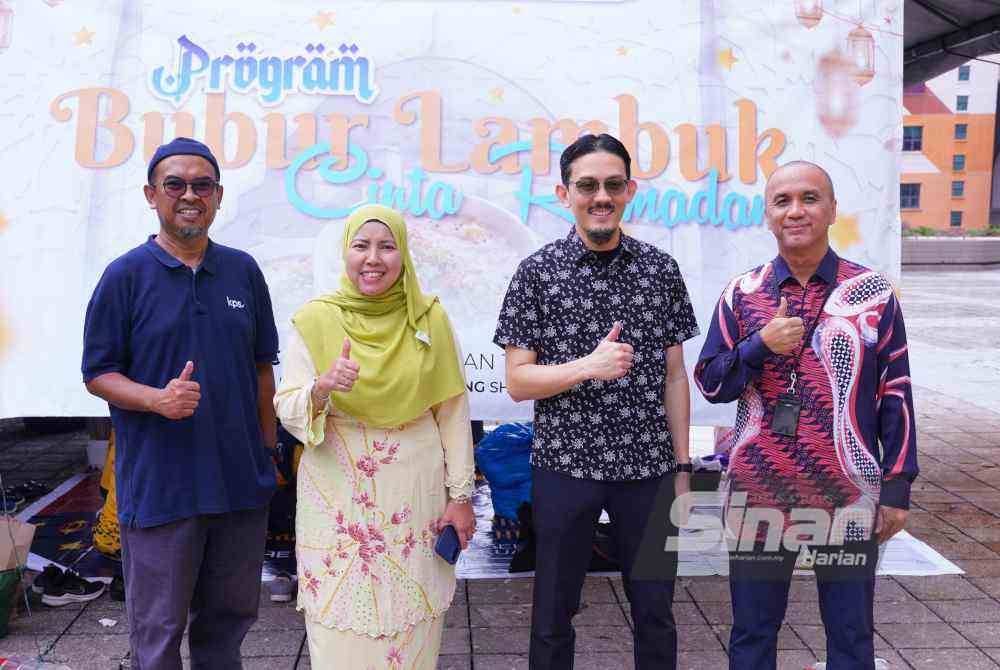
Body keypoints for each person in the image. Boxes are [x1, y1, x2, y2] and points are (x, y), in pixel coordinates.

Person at [694, 161, 918, 670]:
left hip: (847, 491)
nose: (796, 210)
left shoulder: (872, 295)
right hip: (759, 491)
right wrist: (759, 346)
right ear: (768, 215)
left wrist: (898, 488)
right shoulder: (742, 294)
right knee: (752, 634)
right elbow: (710, 382)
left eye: (810, 198)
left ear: (832, 209)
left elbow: (896, 394)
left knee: (851, 634)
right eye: (782, 201)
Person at [494, 133, 700, 670]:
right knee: (552, 615)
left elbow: (675, 377)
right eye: (587, 186)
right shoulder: (536, 273)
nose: (600, 196)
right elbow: (518, 381)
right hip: (565, 468)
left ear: (630, 190)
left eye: (612, 185)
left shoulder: (660, 270)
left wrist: (682, 466)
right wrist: (588, 366)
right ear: (565, 194)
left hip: (650, 470)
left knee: (656, 612)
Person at [82, 136, 279, 669]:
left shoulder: (242, 271)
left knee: (227, 626)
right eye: (175, 184)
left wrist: (266, 453)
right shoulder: (125, 275)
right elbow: (97, 374)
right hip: (161, 487)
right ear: (152, 195)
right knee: (158, 633)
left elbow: (263, 368)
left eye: (202, 185)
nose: (189, 195)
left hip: (239, 485)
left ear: (218, 195)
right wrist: (156, 399)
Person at [273, 204, 475, 669]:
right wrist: (321, 387)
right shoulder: (316, 320)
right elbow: (287, 406)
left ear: (403, 255)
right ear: (345, 253)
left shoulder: (430, 319)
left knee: (412, 627)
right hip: (338, 500)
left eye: (387, 246)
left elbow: (452, 412)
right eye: (361, 246)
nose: (373, 258)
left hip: (415, 497)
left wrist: (460, 495)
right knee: (339, 629)